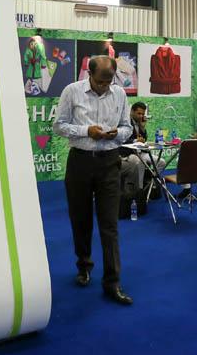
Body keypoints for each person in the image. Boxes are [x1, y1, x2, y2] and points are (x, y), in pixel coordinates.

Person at [54, 56, 134, 305]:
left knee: (110, 224)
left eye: (109, 81)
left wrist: (116, 134)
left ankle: (112, 282)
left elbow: (128, 127)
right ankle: (84, 265)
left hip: (110, 162)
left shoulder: (119, 94)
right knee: (81, 219)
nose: (104, 86)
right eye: (100, 82)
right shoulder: (72, 91)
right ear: (89, 74)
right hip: (80, 161)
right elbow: (59, 125)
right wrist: (85, 131)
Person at [120, 102, 165, 195]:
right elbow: (121, 140)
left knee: (161, 162)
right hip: (128, 153)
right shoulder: (125, 122)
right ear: (132, 111)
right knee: (140, 162)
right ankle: (139, 190)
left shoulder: (140, 122)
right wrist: (135, 141)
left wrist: (143, 128)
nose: (141, 116)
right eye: (139, 113)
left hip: (141, 152)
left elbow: (143, 140)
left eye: (143, 114)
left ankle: (150, 184)